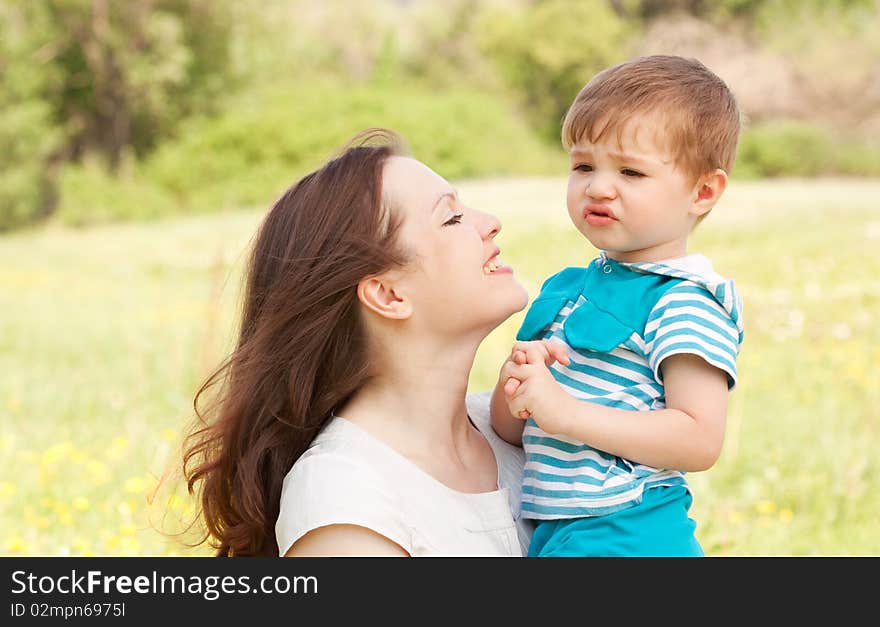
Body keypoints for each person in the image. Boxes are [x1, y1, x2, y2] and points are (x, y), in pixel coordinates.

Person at [182, 128, 535, 557]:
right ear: (388, 295)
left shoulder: (522, 427)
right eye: (452, 218)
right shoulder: (343, 499)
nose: (490, 222)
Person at [490, 55, 745, 557]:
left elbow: (698, 439)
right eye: (583, 165)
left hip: (632, 532)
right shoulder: (566, 291)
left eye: (631, 171)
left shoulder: (685, 302)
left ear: (703, 191)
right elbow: (510, 428)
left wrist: (565, 412)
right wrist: (519, 378)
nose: (599, 186)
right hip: (557, 533)